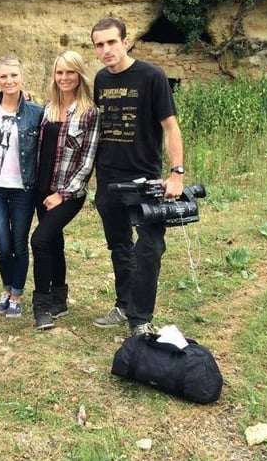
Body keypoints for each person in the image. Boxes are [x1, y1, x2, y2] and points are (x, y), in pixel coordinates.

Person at [91, 17, 185, 337]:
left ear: (125, 42)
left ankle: (141, 319)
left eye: (111, 42)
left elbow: (170, 127)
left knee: (150, 248)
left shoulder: (152, 76)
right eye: (100, 45)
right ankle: (124, 304)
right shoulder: (101, 79)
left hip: (145, 179)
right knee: (119, 245)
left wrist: (176, 173)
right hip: (108, 179)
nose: (106, 50)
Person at [30, 50, 99, 330]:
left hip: (68, 194)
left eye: (70, 72)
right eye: (60, 72)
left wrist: (62, 194)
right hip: (41, 189)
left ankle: (41, 306)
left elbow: (87, 163)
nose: (64, 77)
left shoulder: (89, 112)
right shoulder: (48, 107)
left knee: (39, 241)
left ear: (79, 75)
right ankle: (59, 300)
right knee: (53, 242)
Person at [0, 57, 43, 319]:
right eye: (4, 76)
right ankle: (6, 289)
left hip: (22, 188)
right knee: (2, 243)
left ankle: (16, 294)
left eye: (14, 75)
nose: (9, 81)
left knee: (19, 242)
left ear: (21, 77)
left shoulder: (35, 112)